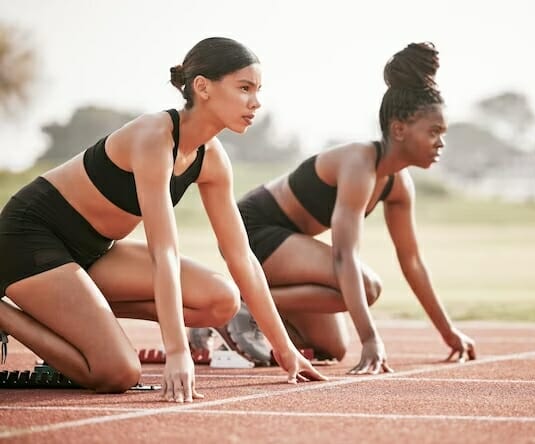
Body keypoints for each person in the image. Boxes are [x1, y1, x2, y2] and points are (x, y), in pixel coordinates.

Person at [0, 37, 326, 401]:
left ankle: (69, 316)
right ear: (202, 87)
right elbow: (164, 253)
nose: (256, 101)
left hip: (93, 252)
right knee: (116, 371)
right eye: (244, 88)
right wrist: (176, 352)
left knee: (221, 300)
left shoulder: (212, 159)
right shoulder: (154, 137)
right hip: (31, 239)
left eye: (258, 90)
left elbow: (241, 256)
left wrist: (284, 349)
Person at [190, 42, 476, 373]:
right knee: (366, 287)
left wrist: (448, 331)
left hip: (288, 242)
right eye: (434, 131)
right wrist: (370, 339)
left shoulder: (399, 185)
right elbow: (344, 257)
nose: (441, 142)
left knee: (331, 348)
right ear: (399, 129)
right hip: (253, 230)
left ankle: (237, 314)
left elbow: (411, 261)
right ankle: (235, 307)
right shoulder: (359, 163)